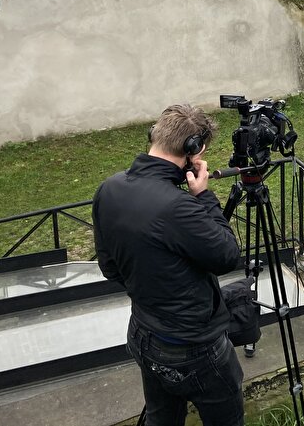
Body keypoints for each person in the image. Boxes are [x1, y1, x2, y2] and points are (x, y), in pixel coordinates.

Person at [93, 104, 244, 426]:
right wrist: (203, 196)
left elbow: (109, 267)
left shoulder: (109, 188)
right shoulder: (178, 207)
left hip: (143, 333)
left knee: (161, 419)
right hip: (194, 348)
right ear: (195, 149)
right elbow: (227, 256)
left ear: (155, 135)